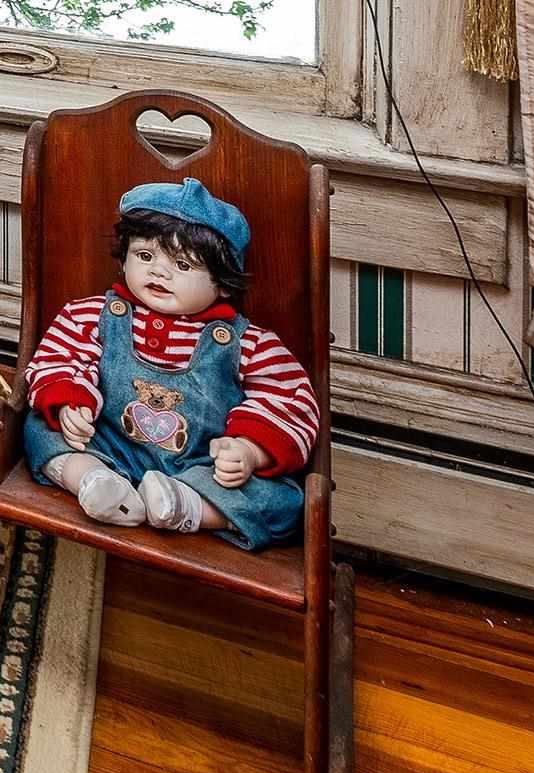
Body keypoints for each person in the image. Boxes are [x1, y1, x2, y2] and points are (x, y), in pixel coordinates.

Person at [20, 177, 316, 548]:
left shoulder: (248, 342)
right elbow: (60, 355)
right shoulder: (94, 314)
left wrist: (249, 450)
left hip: (200, 467)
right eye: (145, 256)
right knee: (39, 428)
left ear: (223, 283)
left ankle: (185, 507)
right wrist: (70, 403)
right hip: (109, 445)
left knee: (284, 501)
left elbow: (289, 399)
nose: (159, 272)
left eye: (182, 264)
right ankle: (94, 482)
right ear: (124, 258)